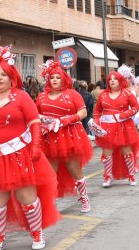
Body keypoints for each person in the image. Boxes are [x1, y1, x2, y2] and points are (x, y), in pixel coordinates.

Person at [0, 45, 60, 250]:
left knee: (27, 198)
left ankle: (37, 232)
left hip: (20, 155)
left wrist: (35, 146)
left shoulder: (22, 97)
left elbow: (34, 122)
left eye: (3, 74)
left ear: (11, 77)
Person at [35, 60, 94, 212]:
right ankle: (51, 202)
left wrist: (66, 120)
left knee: (75, 170)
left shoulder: (72, 94)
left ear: (64, 79)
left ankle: (85, 199)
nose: (54, 80)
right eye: (52, 77)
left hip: (69, 137)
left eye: (58, 77)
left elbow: (83, 112)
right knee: (49, 173)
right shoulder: (41, 96)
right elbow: (35, 114)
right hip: (48, 138)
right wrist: (42, 120)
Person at [93, 71, 139, 187]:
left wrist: (125, 114)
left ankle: (131, 175)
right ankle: (108, 176)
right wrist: (96, 122)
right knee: (107, 152)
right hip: (107, 126)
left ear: (120, 81)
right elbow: (97, 110)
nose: (112, 81)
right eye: (110, 79)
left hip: (124, 126)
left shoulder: (127, 93)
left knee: (127, 151)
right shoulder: (103, 94)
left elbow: (135, 107)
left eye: (115, 79)